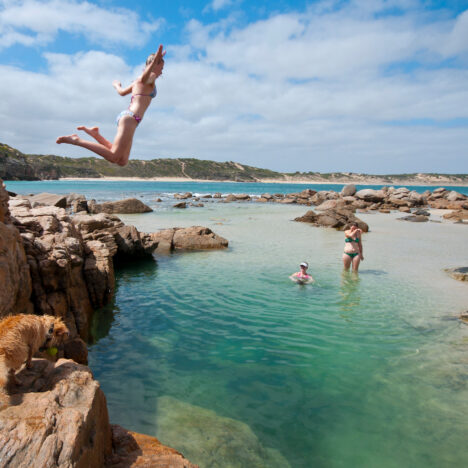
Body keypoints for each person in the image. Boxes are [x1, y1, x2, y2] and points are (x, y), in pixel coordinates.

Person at [56, 44, 166, 167]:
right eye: (161, 67)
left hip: (131, 119)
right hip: (130, 119)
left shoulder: (138, 81)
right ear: (154, 65)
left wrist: (117, 85)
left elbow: (122, 92)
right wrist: (154, 63)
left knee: (122, 161)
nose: (162, 71)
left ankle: (96, 135)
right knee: (114, 156)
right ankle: (76, 141)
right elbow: (146, 77)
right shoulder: (149, 77)